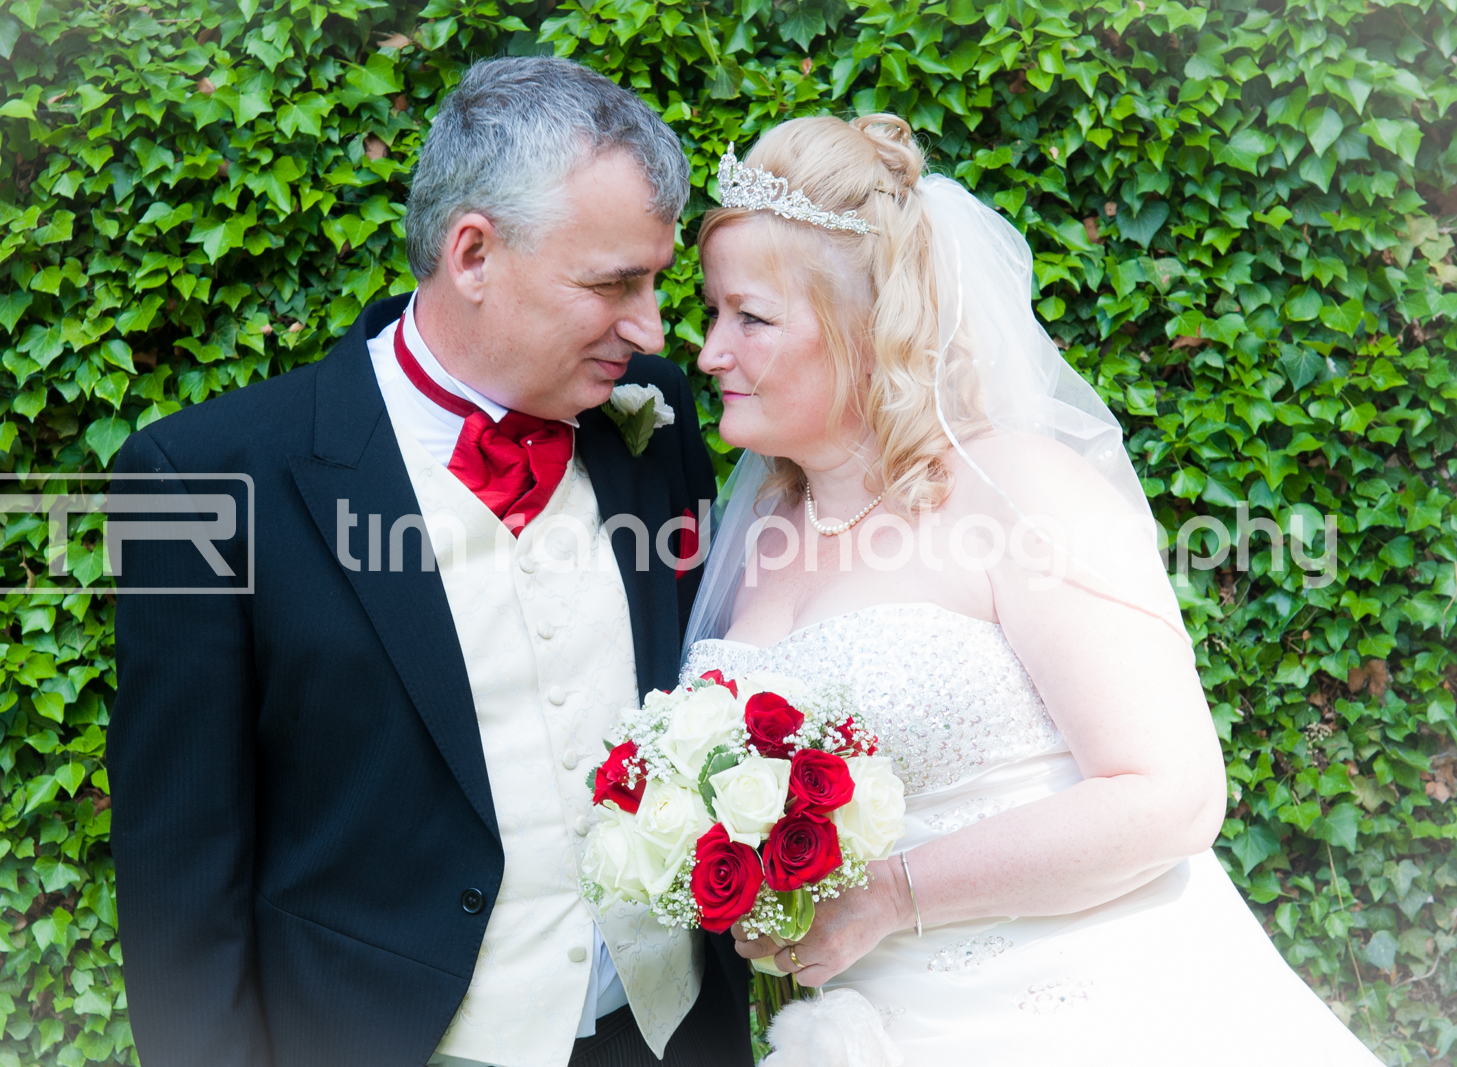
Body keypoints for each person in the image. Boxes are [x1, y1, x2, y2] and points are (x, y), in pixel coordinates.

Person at [678, 113, 1382, 1065]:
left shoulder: (1017, 489)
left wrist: (892, 894)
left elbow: (1170, 794)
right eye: (715, 312)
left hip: (1090, 1016)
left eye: (751, 318)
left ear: (863, 327)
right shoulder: (762, 526)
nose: (711, 351)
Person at [106, 58, 751, 1067]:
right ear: (474, 254)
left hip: (669, 1035)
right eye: (613, 283)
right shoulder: (198, 478)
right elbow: (179, 875)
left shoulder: (654, 421)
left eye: (657, 281)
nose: (651, 328)